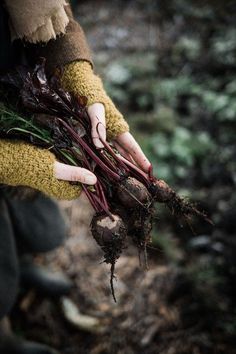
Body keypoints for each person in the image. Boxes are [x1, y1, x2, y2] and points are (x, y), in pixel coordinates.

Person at [0, 1, 151, 353]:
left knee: (34, 225)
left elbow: (56, 20)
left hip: (20, 105)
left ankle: (24, 268)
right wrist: (15, 163)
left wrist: (86, 90)